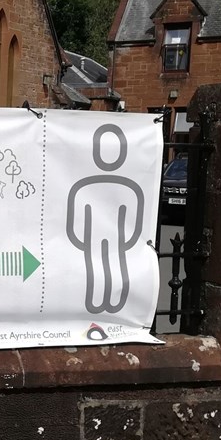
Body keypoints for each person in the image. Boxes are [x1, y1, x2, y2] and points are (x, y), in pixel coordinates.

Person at [65, 123, 145, 314]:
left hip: (113, 241)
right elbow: (75, 222)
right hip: (96, 240)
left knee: (115, 269)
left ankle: (114, 304)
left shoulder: (125, 188)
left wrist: (124, 243)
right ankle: (96, 303)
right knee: (94, 271)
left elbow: (135, 224)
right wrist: (84, 242)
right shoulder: (86, 187)